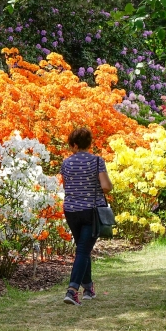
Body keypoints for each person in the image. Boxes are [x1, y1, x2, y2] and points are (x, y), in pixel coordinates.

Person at [60, 127, 112, 306]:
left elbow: (67, 187)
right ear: (88, 144)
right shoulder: (97, 161)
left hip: (71, 211)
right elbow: (105, 186)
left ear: (74, 145)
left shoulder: (66, 163)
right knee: (83, 250)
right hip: (91, 211)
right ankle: (72, 290)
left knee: (83, 249)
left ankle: (88, 288)